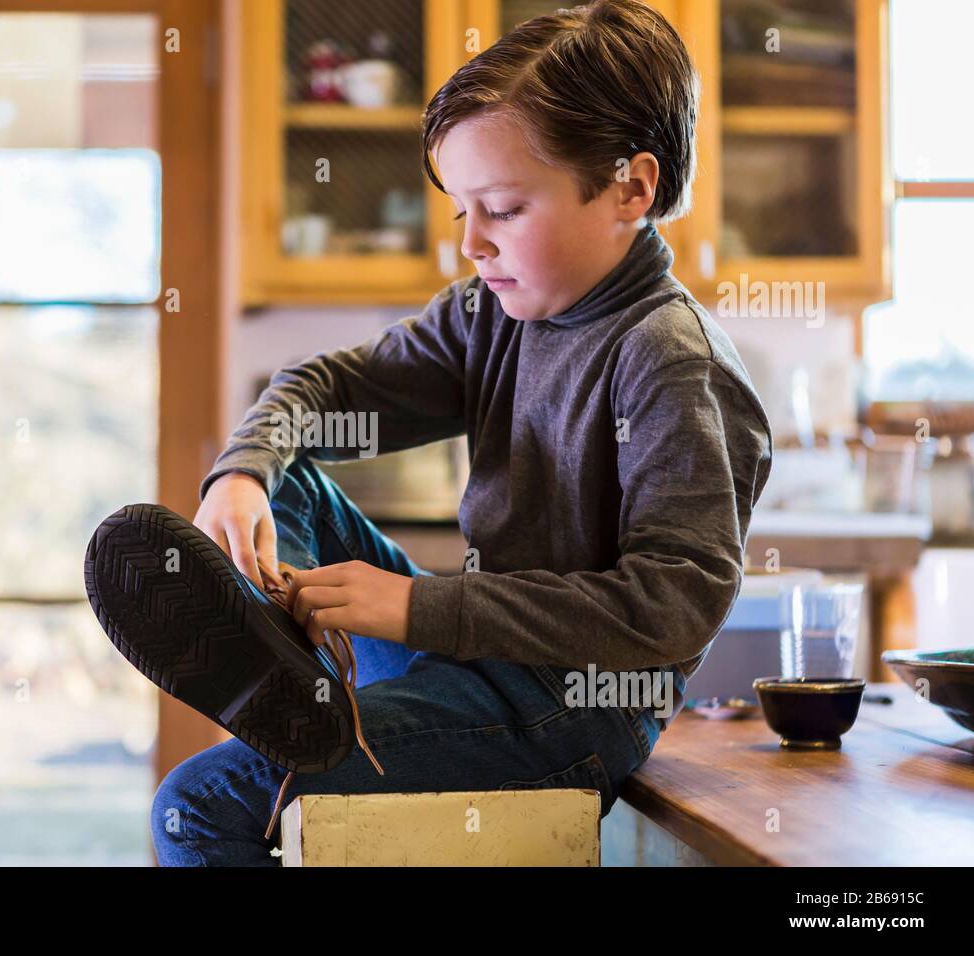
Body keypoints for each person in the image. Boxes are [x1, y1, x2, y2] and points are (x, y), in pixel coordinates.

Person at [88, 0, 773, 866]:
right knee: (286, 471)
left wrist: (417, 607)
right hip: (469, 652)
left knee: (196, 807)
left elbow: (670, 610)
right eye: (462, 214)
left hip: (574, 709)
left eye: (504, 208)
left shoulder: (671, 361)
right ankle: (291, 673)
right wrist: (244, 472)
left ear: (630, 189)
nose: (473, 246)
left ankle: (302, 692)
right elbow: (324, 388)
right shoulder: (493, 313)